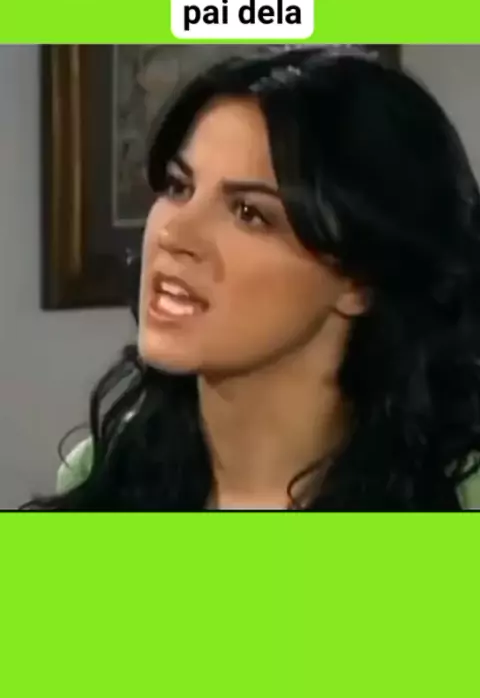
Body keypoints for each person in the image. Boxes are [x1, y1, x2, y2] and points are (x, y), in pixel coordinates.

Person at [22, 45, 480, 511]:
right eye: (179, 187)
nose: (173, 234)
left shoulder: (460, 498)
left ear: (359, 280)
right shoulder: (103, 474)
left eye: (248, 213)